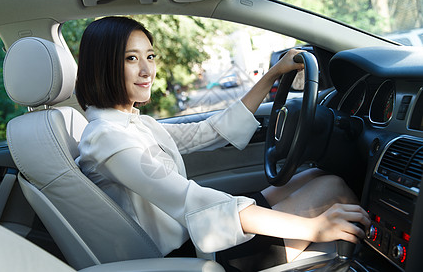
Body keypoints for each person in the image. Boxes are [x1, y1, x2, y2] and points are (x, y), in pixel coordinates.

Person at [75, 16, 370, 270]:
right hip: (196, 255)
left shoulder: (134, 124)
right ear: (103, 67)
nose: (147, 71)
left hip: (197, 231)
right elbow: (192, 200)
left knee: (316, 176)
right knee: (333, 188)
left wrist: (273, 74)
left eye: (149, 56)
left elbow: (209, 131)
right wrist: (313, 227)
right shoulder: (107, 137)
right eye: (131, 58)